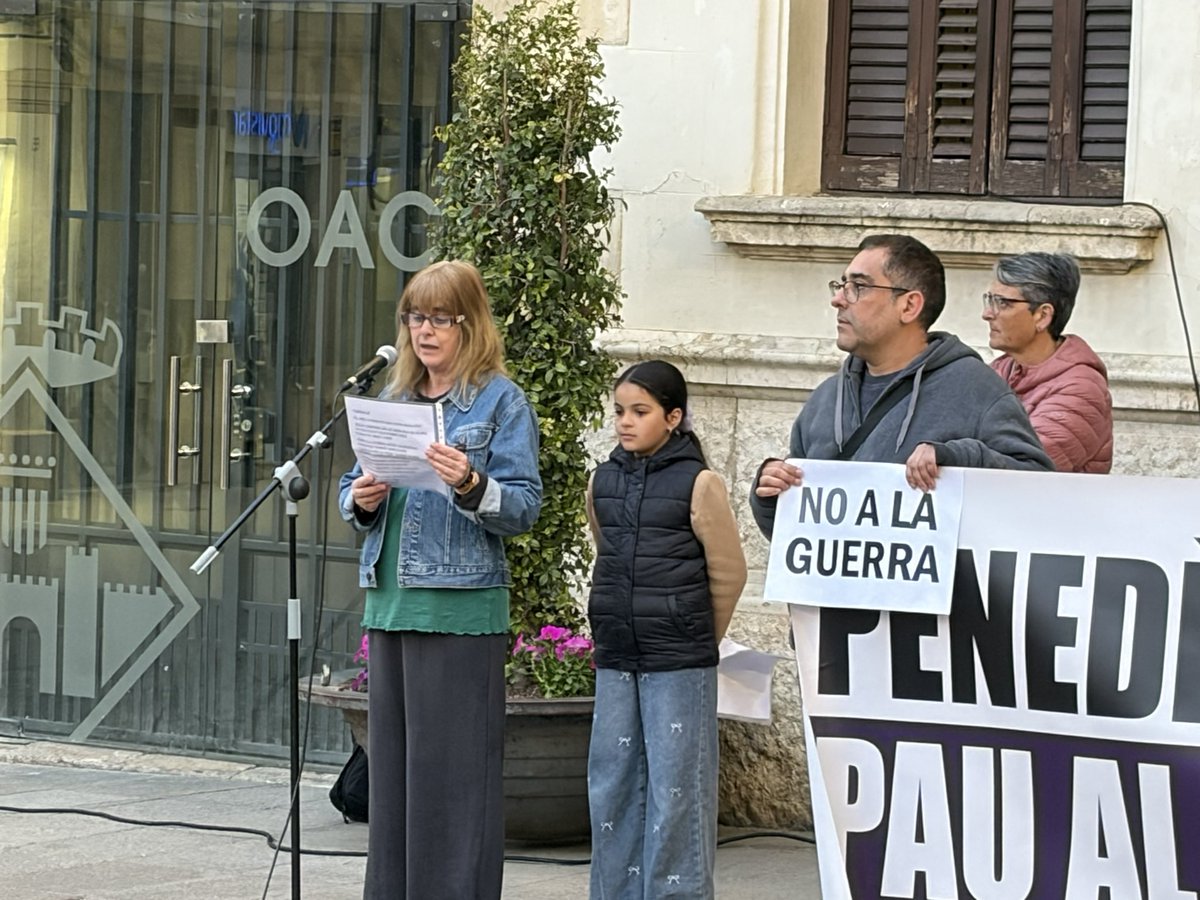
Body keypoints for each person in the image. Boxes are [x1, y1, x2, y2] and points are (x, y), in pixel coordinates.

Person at [338, 260, 542, 900]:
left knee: (453, 783)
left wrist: (470, 482)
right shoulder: (394, 400)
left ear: (469, 324)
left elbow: (524, 507)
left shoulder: (499, 402)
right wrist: (363, 498)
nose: (424, 331)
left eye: (439, 318)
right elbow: (352, 490)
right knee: (395, 782)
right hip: (391, 607)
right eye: (414, 317)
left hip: (458, 609)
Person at [750, 233, 1053, 539]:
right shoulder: (826, 398)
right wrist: (771, 495)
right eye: (841, 285)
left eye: (859, 286)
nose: (838, 299)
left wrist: (963, 460)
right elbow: (795, 539)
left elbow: (1042, 494)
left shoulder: (977, 391)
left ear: (909, 306)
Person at [585, 360, 748, 900]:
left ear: (673, 417)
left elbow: (728, 570)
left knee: (677, 789)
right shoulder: (602, 480)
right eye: (619, 412)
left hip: (679, 661)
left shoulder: (699, 484)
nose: (625, 423)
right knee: (612, 783)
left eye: (640, 412)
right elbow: (607, 551)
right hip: (617, 655)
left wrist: (695, 633)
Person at [983, 252, 1113, 473]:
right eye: (989, 300)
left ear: (1042, 316)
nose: (987, 314)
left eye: (1003, 303)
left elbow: (1024, 464)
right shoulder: (998, 371)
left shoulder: (1081, 389)